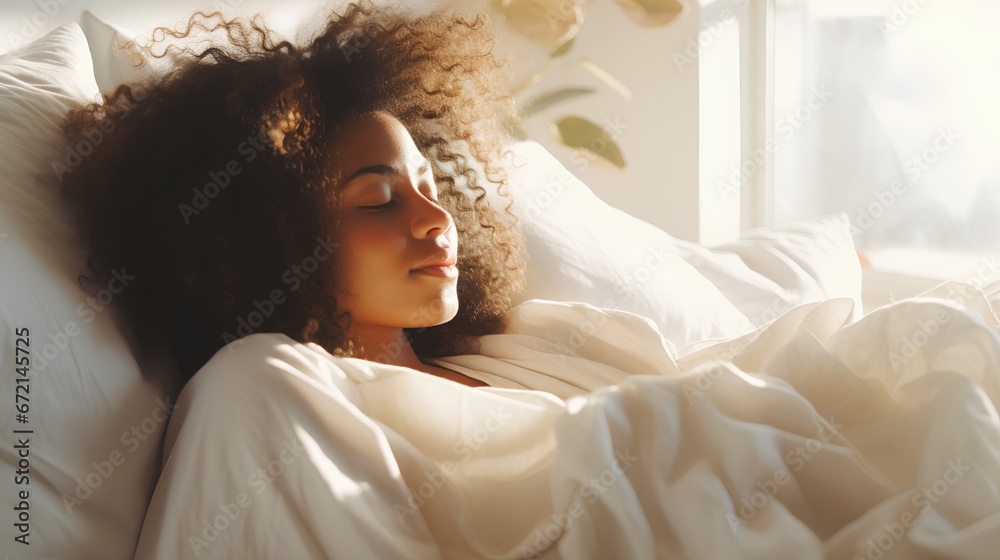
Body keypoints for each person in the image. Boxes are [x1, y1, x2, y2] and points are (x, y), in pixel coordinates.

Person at [58, 0, 527, 388]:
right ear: (271, 247)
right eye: (378, 201)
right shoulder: (263, 391)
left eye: (428, 186)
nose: (438, 218)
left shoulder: (531, 343)